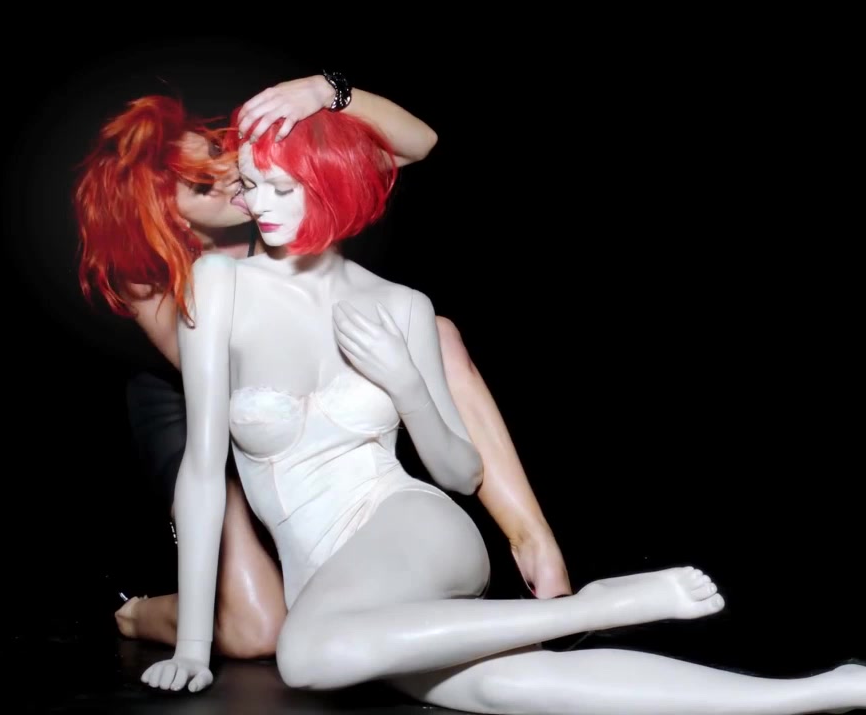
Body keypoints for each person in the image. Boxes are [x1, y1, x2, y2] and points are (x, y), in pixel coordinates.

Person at [141, 103, 866, 715]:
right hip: (339, 581)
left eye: (284, 187)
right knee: (506, 688)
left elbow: (459, 472)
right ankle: (826, 691)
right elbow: (205, 471)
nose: (260, 204)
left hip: (413, 527)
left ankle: (591, 606)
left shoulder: (400, 305)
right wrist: (194, 647)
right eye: (253, 185)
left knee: (308, 655)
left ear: (335, 188)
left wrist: (408, 384)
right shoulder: (221, 284)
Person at [73, 72, 572, 660]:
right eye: (202, 184)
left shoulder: (269, 195)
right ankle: (138, 613)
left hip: (298, 404)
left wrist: (326, 92)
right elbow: (234, 376)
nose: (231, 175)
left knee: (436, 334)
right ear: (172, 216)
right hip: (190, 409)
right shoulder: (150, 274)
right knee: (258, 632)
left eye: (215, 151)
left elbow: (420, 144)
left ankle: (535, 545)